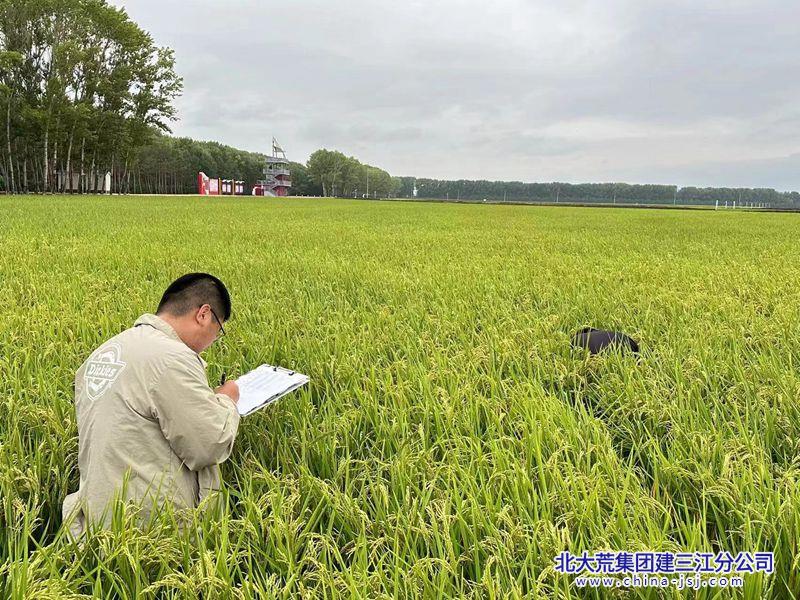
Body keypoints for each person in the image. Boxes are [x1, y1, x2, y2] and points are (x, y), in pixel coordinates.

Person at [62, 273, 241, 538]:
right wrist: (227, 399)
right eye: (219, 331)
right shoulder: (173, 357)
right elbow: (208, 444)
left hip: (96, 524)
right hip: (150, 529)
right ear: (204, 314)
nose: (214, 341)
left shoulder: (103, 353)